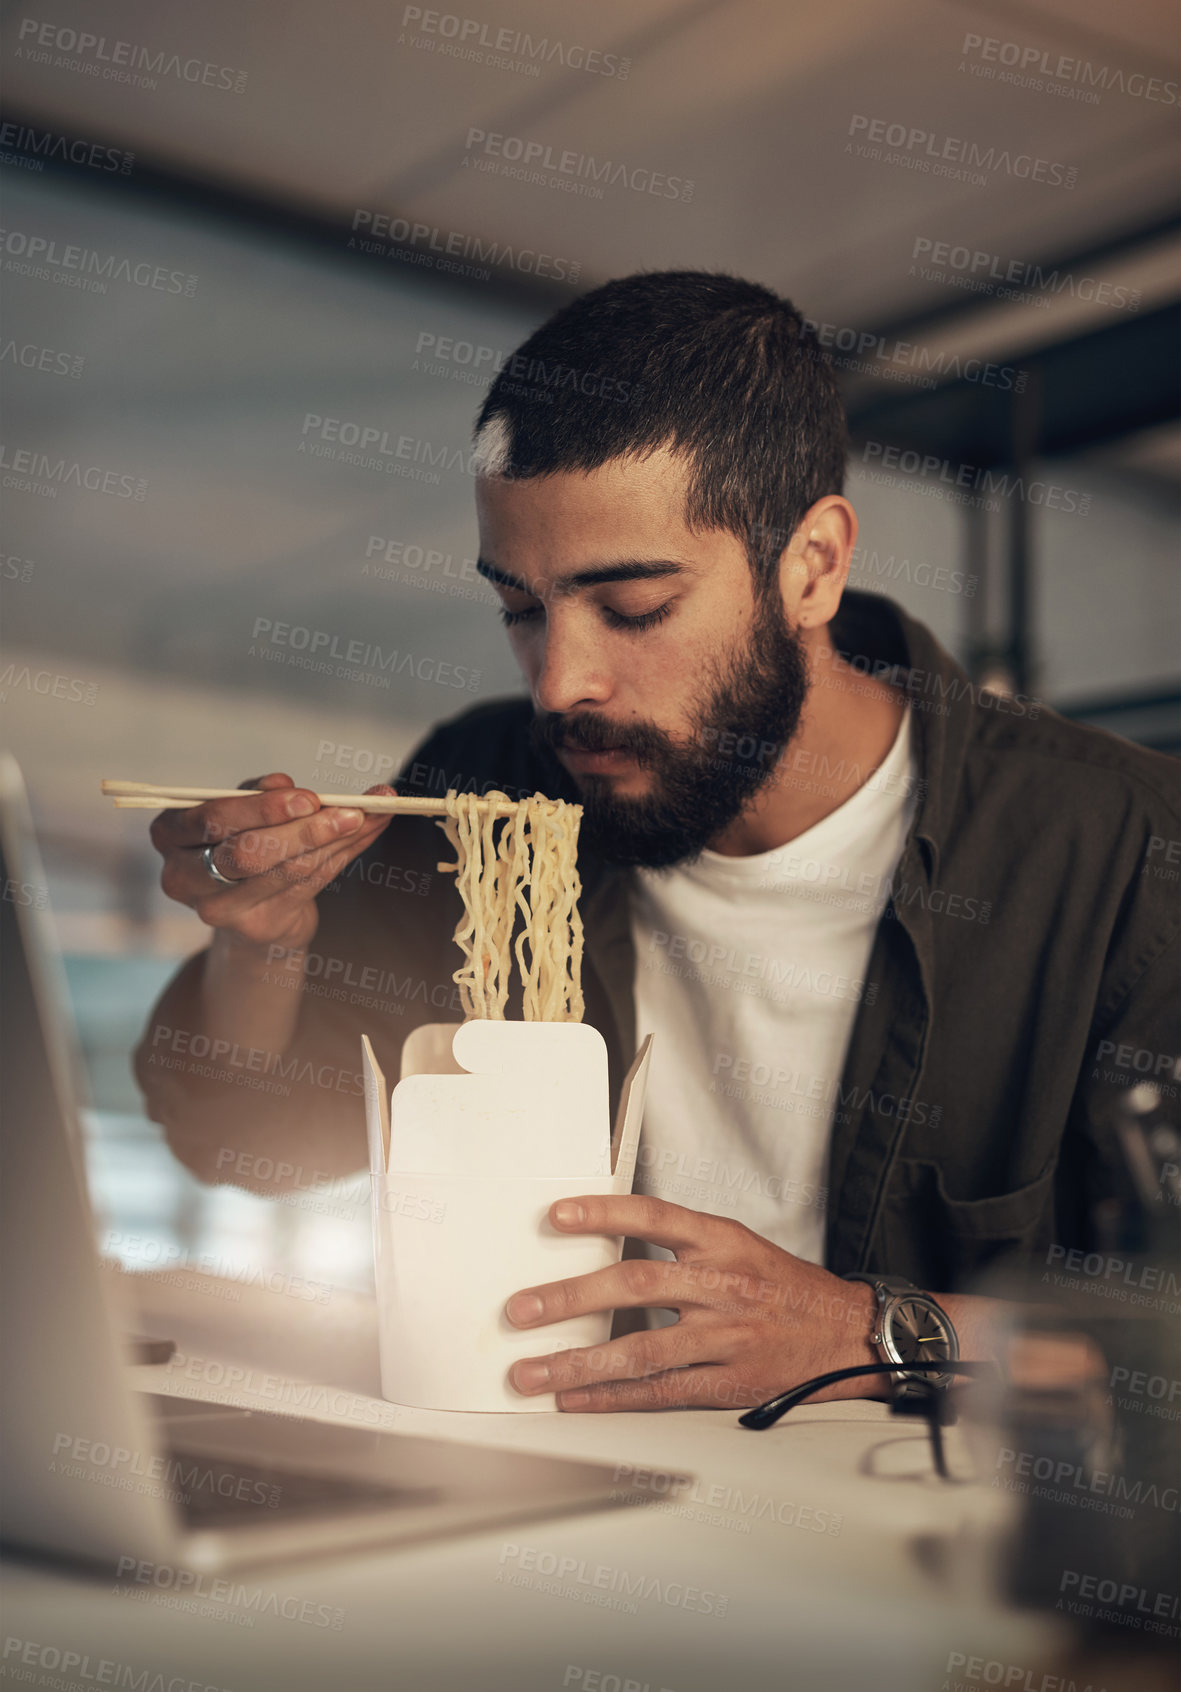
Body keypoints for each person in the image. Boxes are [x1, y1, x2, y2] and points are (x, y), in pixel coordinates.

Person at [134, 271, 1179, 1414]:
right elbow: (239, 1140)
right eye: (521, 609)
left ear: (811, 567)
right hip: (582, 1487)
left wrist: (867, 1328)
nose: (561, 684)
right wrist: (266, 940)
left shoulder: (1121, 852)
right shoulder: (488, 789)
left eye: (631, 607)